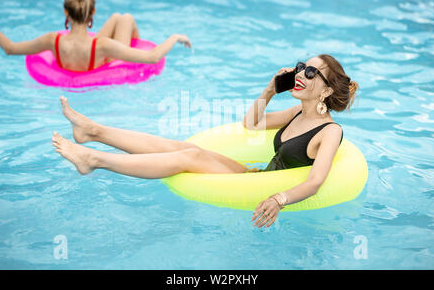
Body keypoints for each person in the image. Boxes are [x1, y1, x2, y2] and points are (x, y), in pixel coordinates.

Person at [51, 54, 358, 228]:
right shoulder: (295, 112)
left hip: (266, 189)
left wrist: (278, 199)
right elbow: (251, 124)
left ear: (327, 91)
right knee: (190, 149)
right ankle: (94, 132)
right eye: (302, 65)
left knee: (190, 158)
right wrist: (268, 91)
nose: (301, 73)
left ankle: (95, 160)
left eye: (312, 72)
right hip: (256, 176)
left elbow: (316, 181)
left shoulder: (329, 132)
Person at [0, 0, 191, 71]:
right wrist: (174, 37)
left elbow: (10, 48)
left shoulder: (52, 40)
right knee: (125, 18)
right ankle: (134, 43)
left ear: (66, 12)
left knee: (115, 18)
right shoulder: (103, 45)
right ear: (92, 13)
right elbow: (154, 57)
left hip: (77, 53)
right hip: (98, 57)